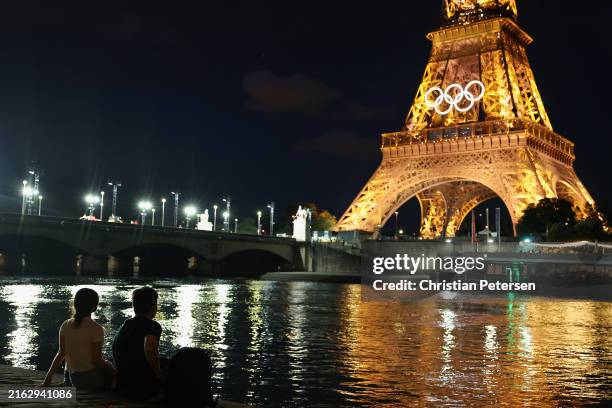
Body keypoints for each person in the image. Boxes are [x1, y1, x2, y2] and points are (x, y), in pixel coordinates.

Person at [42, 288, 115, 389]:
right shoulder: (96, 328)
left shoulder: (65, 325)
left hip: (75, 379)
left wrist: (48, 379)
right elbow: (96, 360)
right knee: (109, 363)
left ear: (75, 305)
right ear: (94, 307)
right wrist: (111, 370)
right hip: (93, 381)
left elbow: (61, 353)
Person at [112, 286, 163, 399]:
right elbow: (149, 348)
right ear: (154, 307)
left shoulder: (126, 325)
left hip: (123, 383)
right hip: (142, 387)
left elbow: (115, 347)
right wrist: (158, 374)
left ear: (134, 306)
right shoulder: (153, 326)